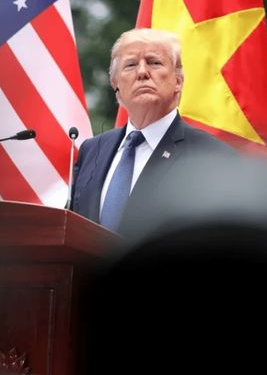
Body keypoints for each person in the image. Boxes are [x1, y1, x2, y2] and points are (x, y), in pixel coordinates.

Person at [70, 28, 234, 236]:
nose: (142, 72)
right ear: (116, 84)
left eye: (154, 62)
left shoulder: (211, 156)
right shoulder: (91, 150)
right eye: (130, 65)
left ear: (178, 81)